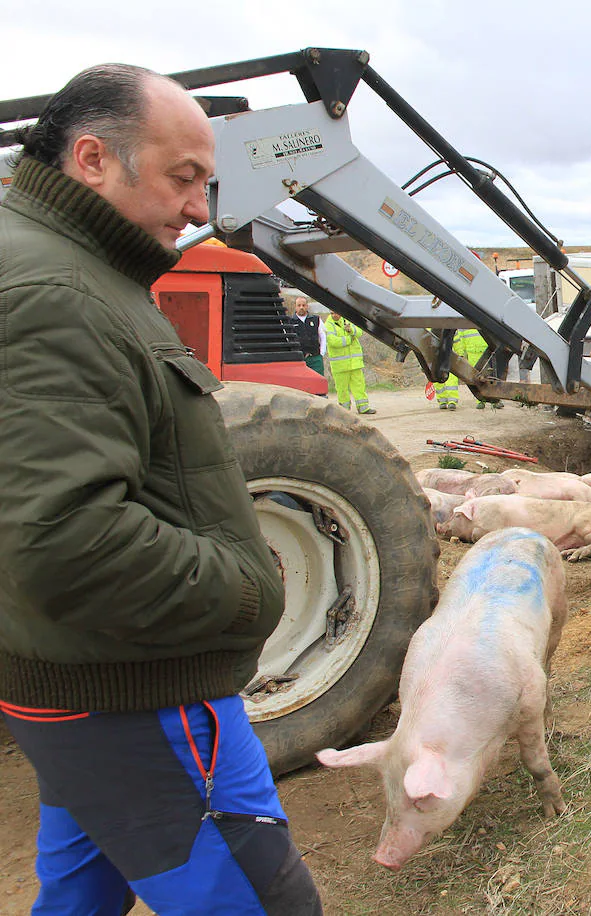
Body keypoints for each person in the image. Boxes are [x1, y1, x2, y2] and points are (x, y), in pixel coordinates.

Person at [0, 64, 321, 914]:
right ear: (95, 159)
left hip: (67, 679)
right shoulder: (58, 293)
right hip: (140, 692)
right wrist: (250, 590)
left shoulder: (60, 263)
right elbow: (64, 542)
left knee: (79, 895)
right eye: (184, 178)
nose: (198, 209)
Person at [323, 311, 376, 415]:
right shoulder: (328, 325)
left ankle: (363, 407)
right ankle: (344, 410)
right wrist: (349, 339)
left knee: (359, 385)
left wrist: (351, 330)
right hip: (340, 365)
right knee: (342, 388)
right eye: (332, 313)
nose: (335, 315)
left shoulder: (348, 320)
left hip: (354, 363)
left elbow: (359, 332)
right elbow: (333, 341)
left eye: (336, 313)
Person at [457, 326, 503, 409]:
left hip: (487, 351)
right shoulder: (465, 323)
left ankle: (495, 400)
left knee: (492, 376)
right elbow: (461, 339)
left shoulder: (476, 319)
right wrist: (462, 355)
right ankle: (481, 400)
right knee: (476, 378)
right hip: (473, 354)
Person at [290, 295, 323, 376]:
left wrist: (322, 353)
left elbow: (323, 336)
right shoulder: (289, 322)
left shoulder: (316, 319)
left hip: (315, 358)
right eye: (299, 305)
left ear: (307, 306)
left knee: (318, 382)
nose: (301, 307)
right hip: (299, 359)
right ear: (295, 307)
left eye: (303, 305)